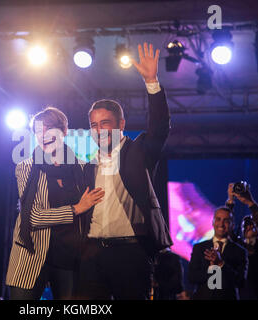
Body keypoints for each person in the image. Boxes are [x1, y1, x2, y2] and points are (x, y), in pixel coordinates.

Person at [77, 43, 173, 300]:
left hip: (130, 253)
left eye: (105, 123)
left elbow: (160, 127)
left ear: (121, 124)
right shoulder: (88, 166)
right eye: (93, 125)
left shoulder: (138, 152)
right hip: (92, 253)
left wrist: (151, 81)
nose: (98, 130)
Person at [6, 107, 105, 300]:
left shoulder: (81, 168)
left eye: (48, 129)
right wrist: (76, 209)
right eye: (37, 131)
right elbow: (33, 216)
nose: (43, 135)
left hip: (69, 257)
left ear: (64, 132)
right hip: (31, 255)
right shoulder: (26, 166)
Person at [188, 207, 248, 300]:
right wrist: (211, 269)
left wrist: (221, 264)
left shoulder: (240, 251)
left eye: (226, 221)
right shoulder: (199, 248)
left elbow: (240, 281)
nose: (221, 224)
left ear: (232, 225)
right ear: (213, 222)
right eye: (218, 219)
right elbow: (192, 277)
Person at [226, 183, 258, 299]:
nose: (249, 227)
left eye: (252, 225)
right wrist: (230, 201)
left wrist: (250, 202)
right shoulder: (239, 246)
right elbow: (227, 232)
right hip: (243, 294)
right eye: (246, 226)